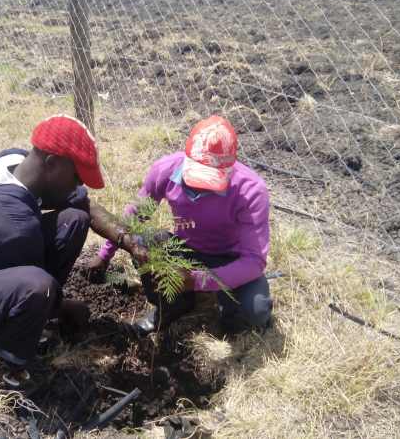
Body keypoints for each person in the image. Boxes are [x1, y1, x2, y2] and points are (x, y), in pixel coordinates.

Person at [0, 115, 145, 386]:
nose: (77, 185)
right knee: (39, 287)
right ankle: (8, 362)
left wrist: (131, 243)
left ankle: (24, 319)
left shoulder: (11, 161)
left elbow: (85, 206)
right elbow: (42, 288)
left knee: (74, 219)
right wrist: (69, 308)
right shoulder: (14, 225)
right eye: (76, 177)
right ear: (51, 163)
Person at [88, 115, 273, 335]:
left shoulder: (250, 191)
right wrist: (105, 255)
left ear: (229, 168)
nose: (200, 190)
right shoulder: (165, 169)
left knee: (255, 313)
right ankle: (172, 305)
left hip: (229, 258)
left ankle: (225, 311)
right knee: (145, 241)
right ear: (187, 158)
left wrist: (197, 280)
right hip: (184, 251)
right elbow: (135, 217)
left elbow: (253, 262)